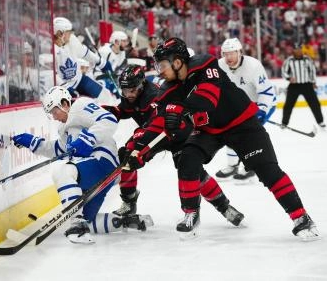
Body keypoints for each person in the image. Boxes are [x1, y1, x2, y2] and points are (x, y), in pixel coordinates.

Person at [123, 37, 319, 241]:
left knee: (267, 170)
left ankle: (301, 217)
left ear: (178, 62)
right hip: (209, 130)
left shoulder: (205, 64)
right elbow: (158, 124)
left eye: (162, 65)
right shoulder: (167, 90)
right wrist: (139, 150)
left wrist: (180, 108)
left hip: (242, 124)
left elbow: (208, 99)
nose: (159, 71)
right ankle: (191, 213)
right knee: (187, 158)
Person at [104, 65, 245, 227]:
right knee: (127, 158)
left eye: (131, 90)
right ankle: (129, 203)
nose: (128, 95)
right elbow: (124, 110)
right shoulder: (133, 95)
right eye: (124, 90)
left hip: (176, 134)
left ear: (141, 85)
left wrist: (139, 148)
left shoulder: (153, 97)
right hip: (153, 133)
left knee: (193, 172)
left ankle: (224, 207)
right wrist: (102, 111)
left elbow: (154, 126)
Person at [12, 86, 153, 244]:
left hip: (103, 161)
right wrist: (32, 143)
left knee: (63, 171)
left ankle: (76, 223)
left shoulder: (80, 106)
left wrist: (88, 139)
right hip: (99, 176)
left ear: (65, 103)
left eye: (54, 111)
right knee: (88, 220)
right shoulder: (65, 129)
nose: (54, 117)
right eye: (50, 113)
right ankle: (126, 221)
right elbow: (58, 150)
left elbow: (109, 119)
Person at [216, 38, 277, 183]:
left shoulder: (253, 65)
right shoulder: (219, 65)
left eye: (232, 53)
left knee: (250, 135)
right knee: (230, 131)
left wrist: (261, 110)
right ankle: (232, 166)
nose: (228, 57)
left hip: (261, 104)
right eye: (226, 54)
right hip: (240, 106)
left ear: (239, 52)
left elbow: (267, 91)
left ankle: (251, 167)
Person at [53, 17, 114, 103]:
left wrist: (100, 62)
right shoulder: (52, 50)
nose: (71, 34)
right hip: (62, 88)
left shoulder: (72, 40)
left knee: (104, 95)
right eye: (68, 32)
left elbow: (85, 53)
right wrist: (65, 87)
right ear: (59, 33)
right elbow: (52, 75)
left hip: (79, 80)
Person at [281, 43, 325, 129]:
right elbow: (283, 71)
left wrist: (313, 82)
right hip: (294, 86)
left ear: (301, 50)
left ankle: (320, 122)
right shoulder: (289, 60)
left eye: (299, 49)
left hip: (307, 85)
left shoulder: (307, 59)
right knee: (288, 105)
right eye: (296, 49)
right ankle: (284, 123)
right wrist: (289, 78)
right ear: (293, 50)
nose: (298, 51)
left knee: (315, 104)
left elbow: (312, 71)